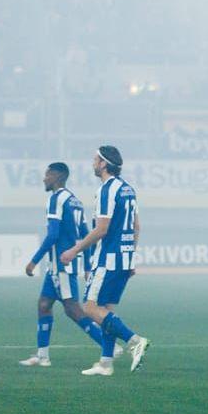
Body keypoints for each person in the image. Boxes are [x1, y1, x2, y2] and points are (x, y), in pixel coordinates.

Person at [59, 145, 152, 376]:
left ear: (103, 164)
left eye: (95, 160)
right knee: (106, 311)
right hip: (123, 259)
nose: (92, 164)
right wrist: (130, 258)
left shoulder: (106, 190)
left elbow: (101, 229)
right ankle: (106, 363)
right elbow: (136, 225)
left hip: (108, 259)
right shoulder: (128, 189)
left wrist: (75, 250)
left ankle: (134, 341)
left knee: (91, 308)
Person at [20, 162, 112, 367]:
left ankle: (109, 346)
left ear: (57, 176)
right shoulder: (75, 201)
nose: (44, 178)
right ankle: (42, 357)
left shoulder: (55, 199)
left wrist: (33, 261)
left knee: (73, 310)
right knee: (44, 305)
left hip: (62, 266)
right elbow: (87, 236)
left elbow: (52, 235)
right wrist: (87, 266)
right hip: (60, 267)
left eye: (47, 174)